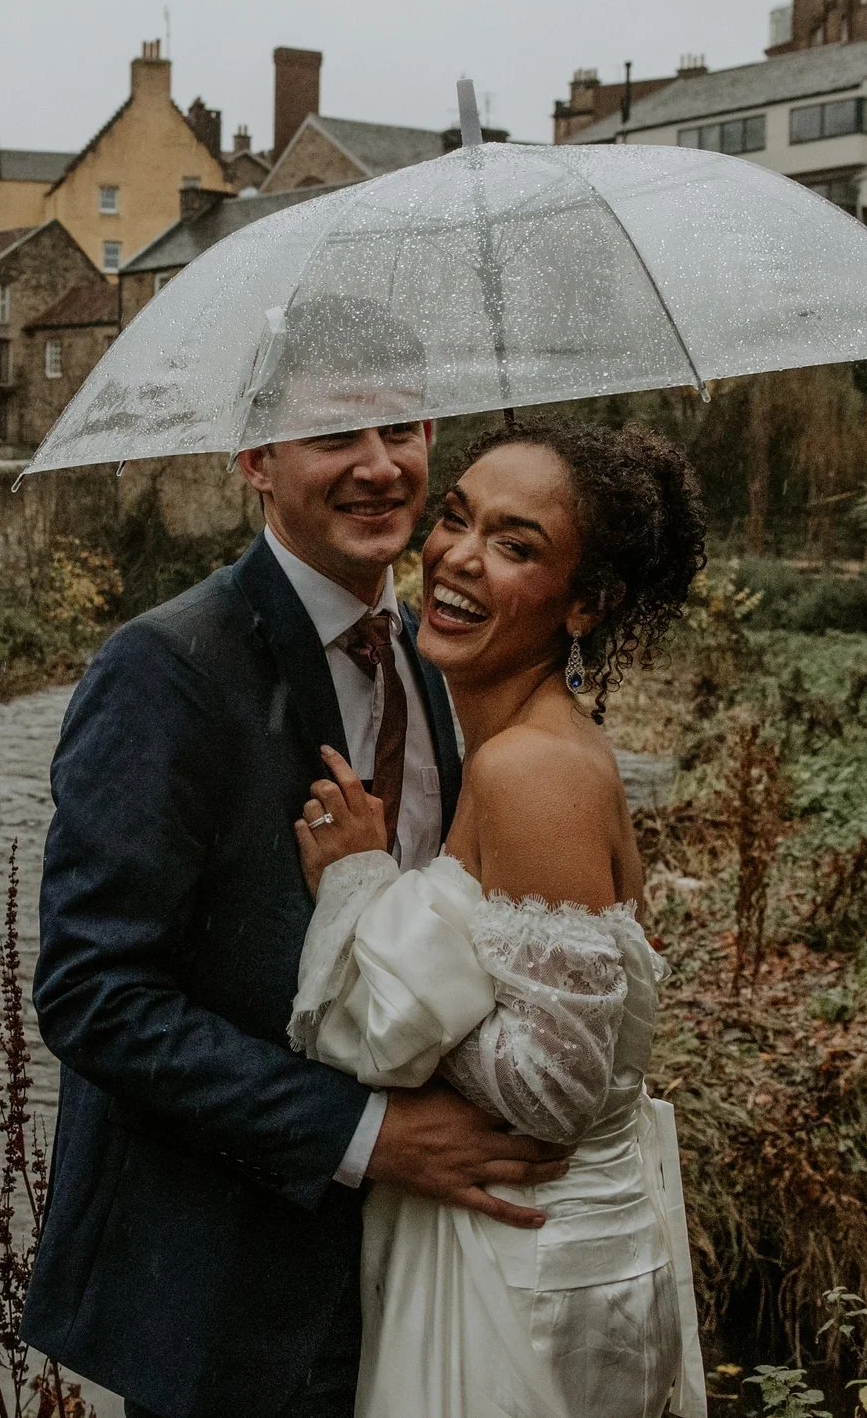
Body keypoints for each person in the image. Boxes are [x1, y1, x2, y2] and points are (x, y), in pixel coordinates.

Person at [22, 410, 572, 1418]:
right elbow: (92, 995)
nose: (376, 464)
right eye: (329, 432)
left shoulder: (439, 649)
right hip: (240, 1293)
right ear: (255, 461)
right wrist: (363, 1132)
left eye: (398, 427)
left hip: (423, 1270)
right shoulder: (163, 669)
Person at [288, 422, 711, 1418]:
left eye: (516, 545)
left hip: (535, 1273)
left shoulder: (533, 769)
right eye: (457, 517)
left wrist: (361, 893)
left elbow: (554, 1084)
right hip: (525, 1249)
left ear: (584, 604)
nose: (459, 555)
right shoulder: (510, 742)